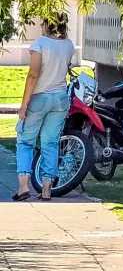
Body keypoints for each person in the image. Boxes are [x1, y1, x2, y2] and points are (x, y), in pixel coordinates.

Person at [14, 14, 75, 201]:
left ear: (47, 25)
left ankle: (23, 187)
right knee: (50, 142)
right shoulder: (69, 45)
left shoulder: (40, 43)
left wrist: (23, 105)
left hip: (40, 97)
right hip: (60, 98)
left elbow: (33, 75)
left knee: (25, 141)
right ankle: (47, 188)